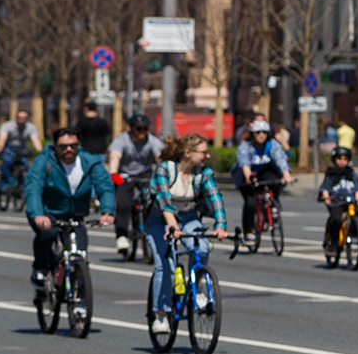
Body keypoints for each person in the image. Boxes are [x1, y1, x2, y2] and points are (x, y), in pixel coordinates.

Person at [145, 134, 227, 334]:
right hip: (159, 219)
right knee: (166, 265)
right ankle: (161, 315)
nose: (207, 156)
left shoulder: (203, 173)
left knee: (202, 247)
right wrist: (172, 225)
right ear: (187, 153)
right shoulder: (165, 169)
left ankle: (198, 290)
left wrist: (221, 225)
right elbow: (163, 198)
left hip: (189, 217)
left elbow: (215, 196)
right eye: (203, 152)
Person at [25, 126, 116, 297]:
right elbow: (33, 189)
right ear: (55, 145)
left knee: (79, 257)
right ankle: (40, 268)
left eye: (73, 145)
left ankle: (79, 302)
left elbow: (104, 186)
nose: (69, 149)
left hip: (76, 214)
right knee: (48, 233)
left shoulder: (90, 161)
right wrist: (38, 214)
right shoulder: (44, 161)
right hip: (48, 212)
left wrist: (107, 211)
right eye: (63, 146)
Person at [105, 114, 164, 255]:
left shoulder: (152, 141)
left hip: (145, 174)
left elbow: (160, 157)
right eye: (138, 129)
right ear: (131, 129)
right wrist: (114, 173)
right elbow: (115, 156)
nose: (142, 131)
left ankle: (150, 228)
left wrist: (165, 171)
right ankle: (122, 236)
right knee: (123, 204)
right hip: (125, 175)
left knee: (153, 202)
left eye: (145, 128)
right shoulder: (122, 140)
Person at [234, 119, 294, 238]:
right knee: (250, 204)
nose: (261, 135)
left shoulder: (272, 144)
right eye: (258, 132)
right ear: (253, 134)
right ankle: (248, 231)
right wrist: (249, 177)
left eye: (264, 132)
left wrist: (286, 175)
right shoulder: (245, 147)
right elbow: (244, 164)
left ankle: (273, 207)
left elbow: (280, 159)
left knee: (275, 181)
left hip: (265, 171)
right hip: (248, 174)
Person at [318, 145, 358, 250]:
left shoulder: (351, 173)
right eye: (339, 159)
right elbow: (325, 188)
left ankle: (353, 231)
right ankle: (333, 241)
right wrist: (327, 197)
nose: (342, 161)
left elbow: (357, 189)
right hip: (336, 201)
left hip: (349, 200)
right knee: (336, 219)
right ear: (334, 159)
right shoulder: (331, 173)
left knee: (357, 211)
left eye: (345, 159)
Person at [0, 108, 43, 194]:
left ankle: (20, 184)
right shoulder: (8, 126)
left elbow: (35, 140)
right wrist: (0, 147)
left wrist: (40, 151)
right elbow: (2, 137)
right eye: (20, 117)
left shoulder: (30, 127)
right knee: (7, 162)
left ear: (27, 118)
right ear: (16, 118)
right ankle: (4, 183)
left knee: (25, 165)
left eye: (24, 118)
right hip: (9, 148)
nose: (22, 119)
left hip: (22, 149)